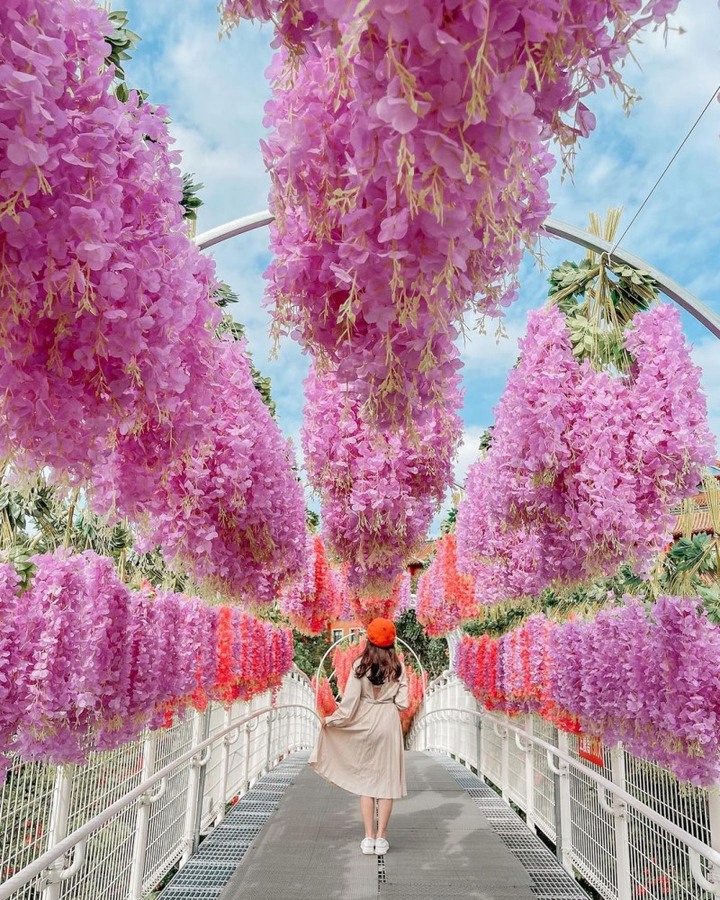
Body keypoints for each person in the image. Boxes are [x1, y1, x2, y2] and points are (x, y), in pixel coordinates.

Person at [309, 617, 409, 856]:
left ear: (369, 641)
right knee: (386, 783)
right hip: (388, 722)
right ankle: (382, 839)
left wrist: (332, 721)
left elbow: (349, 704)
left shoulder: (358, 666)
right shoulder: (398, 667)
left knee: (367, 782)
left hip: (364, 721)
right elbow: (403, 703)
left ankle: (368, 838)